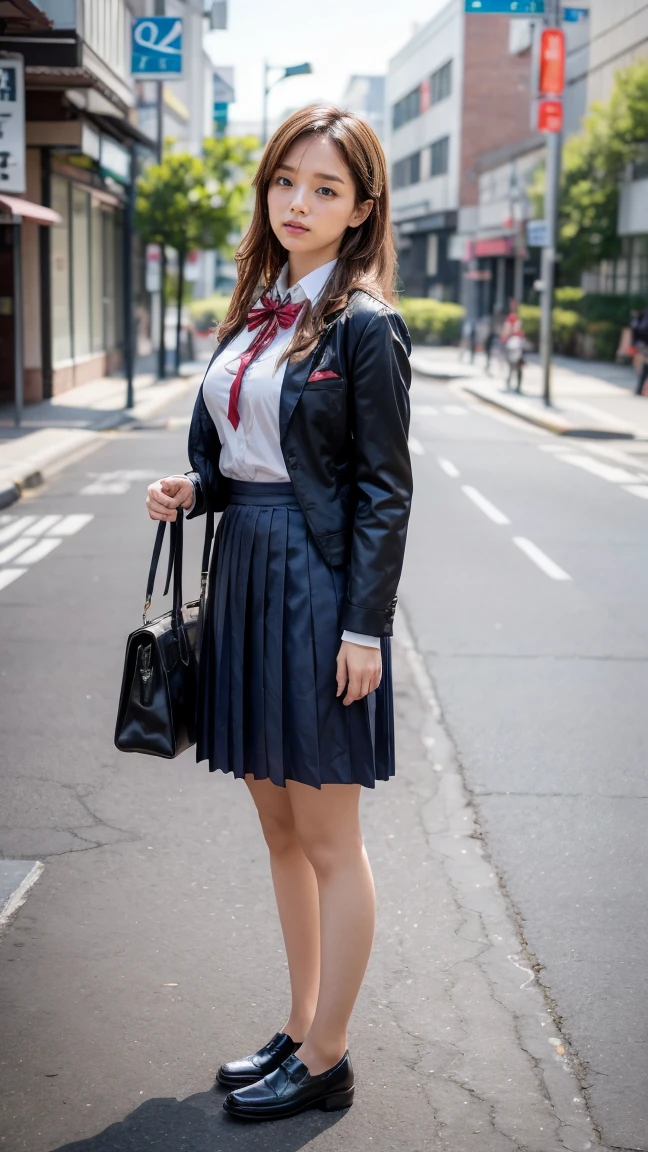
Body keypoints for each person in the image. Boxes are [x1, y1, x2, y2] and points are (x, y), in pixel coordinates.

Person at [145, 105, 413, 1122]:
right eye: (286, 181)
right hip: (245, 570)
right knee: (276, 824)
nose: (297, 201)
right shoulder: (255, 311)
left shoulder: (365, 326)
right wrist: (192, 490)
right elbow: (238, 458)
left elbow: (385, 490)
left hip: (315, 585)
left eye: (326, 189)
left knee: (330, 831)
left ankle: (331, 1054)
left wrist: (363, 630)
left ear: (359, 211)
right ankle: (299, 1025)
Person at [630, 306, 648, 395]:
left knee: (645, 366)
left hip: (643, 343)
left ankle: (640, 388)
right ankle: (640, 388)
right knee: (645, 365)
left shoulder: (643, 315)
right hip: (645, 343)